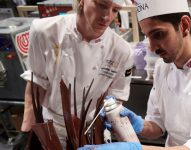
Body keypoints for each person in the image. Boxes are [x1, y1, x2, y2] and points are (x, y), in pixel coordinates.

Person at [79, 0, 191, 149]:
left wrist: (136, 149)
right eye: (147, 36)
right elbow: (158, 127)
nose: (151, 48)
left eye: (158, 34)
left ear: (184, 25)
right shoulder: (162, 68)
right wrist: (135, 123)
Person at [13, 0, 134, 149]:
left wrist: (123, 137)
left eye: (115, 10)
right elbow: (37, 83)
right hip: (51, 127)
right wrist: (26, 131)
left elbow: (116, 97)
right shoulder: (44, 31)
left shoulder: (121, 50)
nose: (107, 16)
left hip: (90, 130)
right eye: (101, 5)